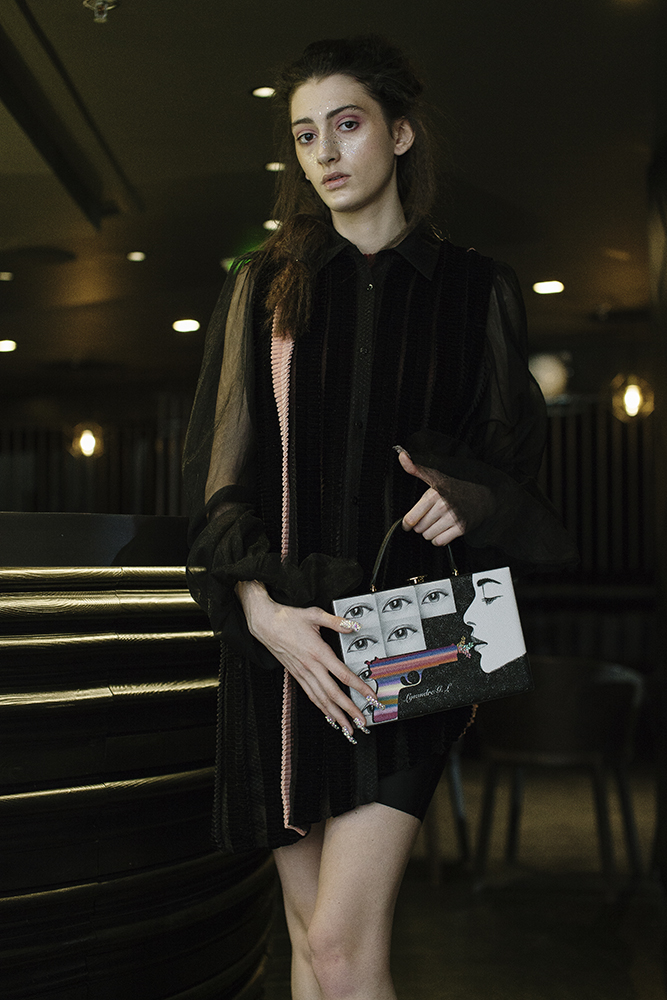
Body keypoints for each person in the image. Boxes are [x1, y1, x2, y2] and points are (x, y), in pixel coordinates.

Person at [182, 35, 577, 1000]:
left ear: (399, 134)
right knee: (307, 943)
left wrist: (466, 495)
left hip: (422, 630)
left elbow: (511, 465)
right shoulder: (263, 287)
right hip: (288, 639)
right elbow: (221, 480)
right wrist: (263, 616)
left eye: (347, 124)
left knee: (341, 950)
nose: (324, 152)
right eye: (304, 134)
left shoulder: (477, 289)